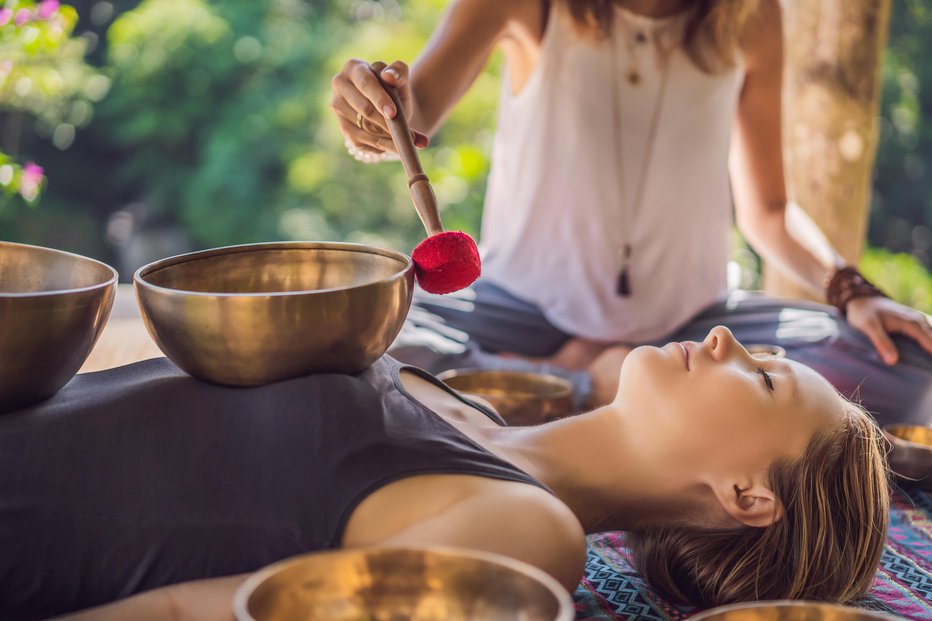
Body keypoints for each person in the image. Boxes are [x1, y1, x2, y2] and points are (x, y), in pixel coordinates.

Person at [6, 327, 887, 620]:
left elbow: (189, 610)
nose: (727, 337)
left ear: (749, 495)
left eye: (763, 375)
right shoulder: (474, 410)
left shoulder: (529, 537)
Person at [329, 0, 932, 418]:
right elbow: (411, 116)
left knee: (912, 373)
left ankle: (534, 394)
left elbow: (770, 211)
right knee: (350, 334)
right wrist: (374, 113)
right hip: (518, 314)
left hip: (694, 334)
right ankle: (592, 388)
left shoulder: (752, 17)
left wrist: (852, 290)